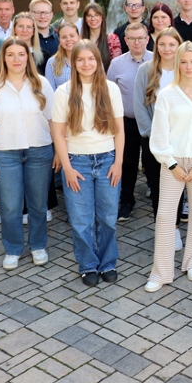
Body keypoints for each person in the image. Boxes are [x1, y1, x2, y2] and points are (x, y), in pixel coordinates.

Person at [147, 42, 192, 292]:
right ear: (177, 64)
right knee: (166, 217)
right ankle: (161, 271)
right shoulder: (167, 94)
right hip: (173, 163)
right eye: (184, 61)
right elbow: (158, 135)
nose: (189, 66)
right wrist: (172, 164)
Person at [51, 40, 125, 286]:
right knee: (81, 219)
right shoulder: (63, 92)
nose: (86, 64)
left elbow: (119, 131)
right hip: (77, 162)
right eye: (80, 59)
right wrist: (67, 168)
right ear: (73, 62)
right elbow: (58, 134)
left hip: (107, 160)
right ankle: (88, 265)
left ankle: (108, 262)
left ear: (98, 61)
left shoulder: (110, 89)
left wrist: (119, 163)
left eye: (90, 58)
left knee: (107, 216)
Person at [0, 38, 55, 270]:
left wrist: (60, 153)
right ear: (3, 58)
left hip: (39, 151)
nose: (16, 59)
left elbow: (53, 120)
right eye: (10, 54)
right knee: (10, 206)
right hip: (6, 154)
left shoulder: (41, 83)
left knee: (38, 203)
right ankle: (13, 248)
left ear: (28, 57)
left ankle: (37, 245)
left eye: (21, 54)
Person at [107, 23, 153, 223]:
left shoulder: (156, 60)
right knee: (128, 162)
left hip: (152, 121)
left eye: (141, 38)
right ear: (125, 41)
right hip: (127, 122)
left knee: (153, 162)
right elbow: (109, 93)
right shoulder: (117, 64)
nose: (137, 42)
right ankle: (126, 200)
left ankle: (158, 200)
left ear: (147, 38)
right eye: (132, 39)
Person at [135, 28, 183, 216]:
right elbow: (139, 105)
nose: (167, 48)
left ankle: (176, 226)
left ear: (179, 46)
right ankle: (162, 226)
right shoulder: (145, 70)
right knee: (156, 185)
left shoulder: (185, 69)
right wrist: (151, 133)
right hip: (153, 139)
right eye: (162, 44)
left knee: (177, 183)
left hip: (179, 138)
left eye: (172, 44)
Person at [83, 2, 122, 71]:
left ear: (102, 18)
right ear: (85, 19)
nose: (93, 18)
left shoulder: (112, 39)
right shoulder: (80, 40)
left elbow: (117, 66)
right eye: (89, 15)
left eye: (96, 15)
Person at [45, 22, 80, 91]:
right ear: (59, 40)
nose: (68, 39)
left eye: (72, 36)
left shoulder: (90, 59)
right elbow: (50, 91)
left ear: (79, 37)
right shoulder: (52, 62)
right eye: (64, 37)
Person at [30, 0, 59, 75]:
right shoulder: (27, 42)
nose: (42, 16)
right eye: (38, 12)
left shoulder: (60, 40)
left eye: (46, 12)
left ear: (51, 15)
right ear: (30, 14)